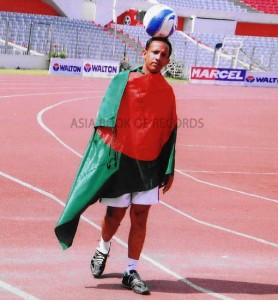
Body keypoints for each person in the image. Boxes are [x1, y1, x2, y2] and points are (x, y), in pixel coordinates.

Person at [55, 37, 177, 296]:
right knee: (114, 216)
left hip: (150, 164)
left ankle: (131, 270)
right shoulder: (122, 81)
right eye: (154, 52)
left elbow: (170, 131)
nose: (158, 57)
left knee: (141, 217)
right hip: (121, 159)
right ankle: (103, 247)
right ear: (144, 53)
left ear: (168, 61)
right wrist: (105, 157)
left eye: (164, 55)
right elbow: (105, 117)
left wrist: (168, 167)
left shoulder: (167, 91)